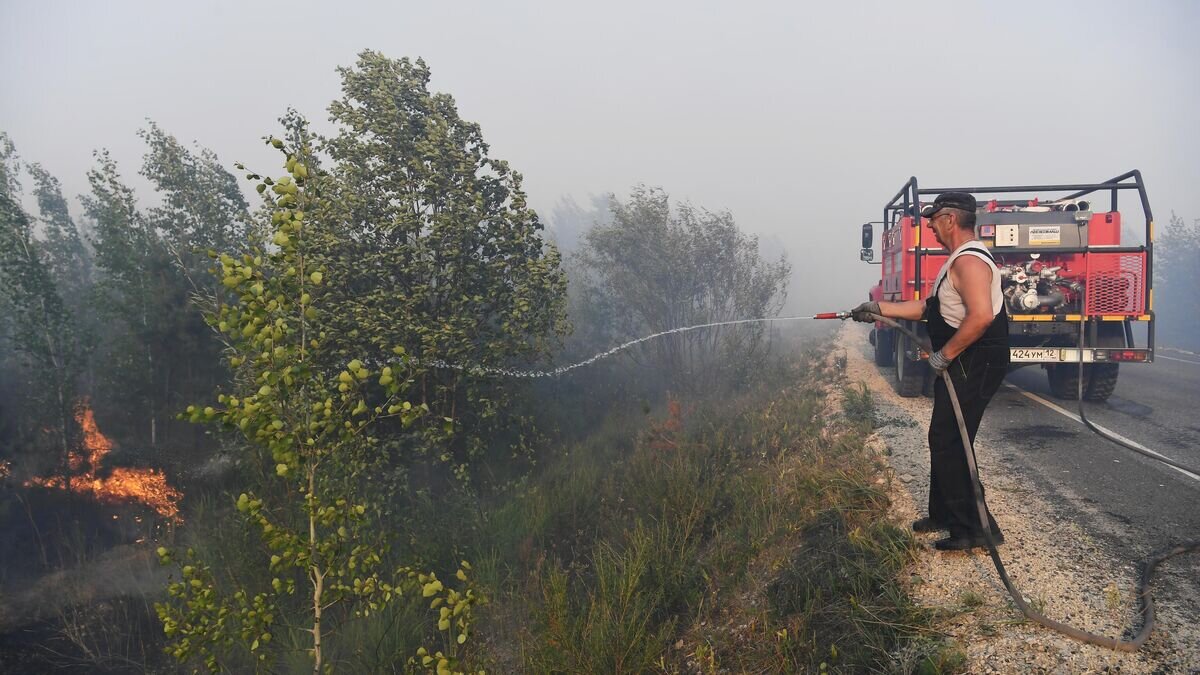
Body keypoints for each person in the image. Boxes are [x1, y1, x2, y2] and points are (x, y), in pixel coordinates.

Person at [851, 192, 1009, 551]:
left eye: (934, 219)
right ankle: (944, 514)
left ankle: (976, 530)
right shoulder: (957, 260)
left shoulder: (969, 262)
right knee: (943, 435)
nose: (930, 227)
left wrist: (945, 355)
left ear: (950, 219)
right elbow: (929, 308)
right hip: (968, 359)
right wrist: (879, 308)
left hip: (976, 360)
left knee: (950, 440)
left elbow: (982, 316)